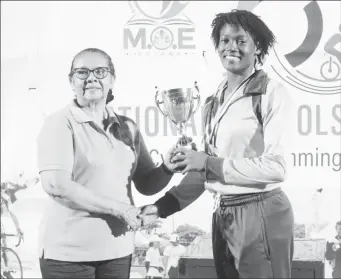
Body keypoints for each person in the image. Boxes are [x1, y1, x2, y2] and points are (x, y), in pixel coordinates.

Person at [140, 9, 294, 279]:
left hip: (261, 212)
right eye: (224, 40)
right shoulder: (212, 103)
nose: (231, 47)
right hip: (223, 215)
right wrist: (162, 207)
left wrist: (207, 162)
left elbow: (276, 168)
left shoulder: (271, 92)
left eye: (240, 40)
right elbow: (205, 172)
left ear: (257, 47)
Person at [36, 48, 176, 279]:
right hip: (68, 257)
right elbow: (55, 185)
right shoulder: (59, 123)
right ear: (71, 81)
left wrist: (167, 168)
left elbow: (146, 184)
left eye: (100, 71)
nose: (91, 78)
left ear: (112, 79)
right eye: (82, 72)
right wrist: (120, 209)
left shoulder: (128, 127)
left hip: (118, 251)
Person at [1, 183, 24, 278]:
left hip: (2, 224)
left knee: (5, 247)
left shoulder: (5, 197)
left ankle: (6, 271)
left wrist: (18, 229)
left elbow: (10, 214)